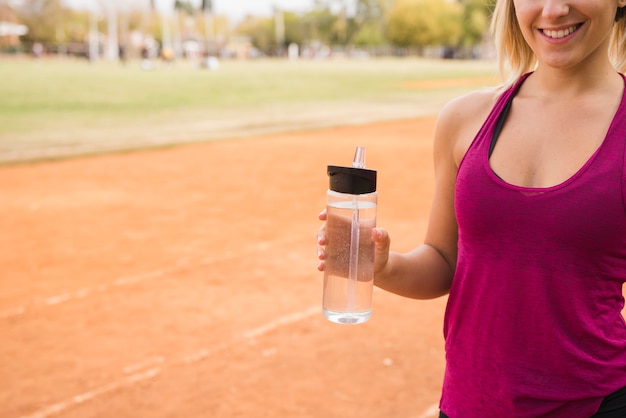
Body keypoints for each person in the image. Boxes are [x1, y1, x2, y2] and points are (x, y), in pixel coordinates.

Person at [316, 0, 626, 416]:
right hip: (467, 405)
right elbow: (444, 260)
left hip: (596, 405)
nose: (553, 10)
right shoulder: (464, 119)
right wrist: (382, 267)